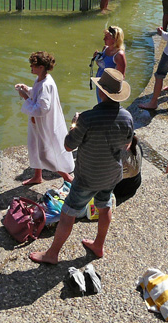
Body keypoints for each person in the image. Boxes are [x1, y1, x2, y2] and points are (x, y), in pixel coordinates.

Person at [29, 68, 133, 265]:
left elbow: (68, 146)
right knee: (104, 206)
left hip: (87, 177)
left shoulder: (87, 118)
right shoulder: (127, 117)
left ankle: (52, 254)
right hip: (111, 173)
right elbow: (126, 145)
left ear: (101, 92)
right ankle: (98, 245)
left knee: (68, 212)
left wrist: (75, 125)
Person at [15, 51, 75, 186]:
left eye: (33, 65)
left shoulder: (46, 84)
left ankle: (66, 176)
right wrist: (28, 89)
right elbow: (38, 95)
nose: (31, 67)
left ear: (41, 67)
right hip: (36, 123)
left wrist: (24, 96)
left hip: (44, 124)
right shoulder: (41, 79)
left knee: (46, 152)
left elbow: (42, 108)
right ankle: (37, 176)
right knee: (34, 147)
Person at [93, 26, 127, 101]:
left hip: (109, 87)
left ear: (115, 40)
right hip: (100, 81)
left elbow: (121, 77)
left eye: (107, 37)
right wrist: (96, 59)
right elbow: (102, 66)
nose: (104, 39)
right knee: (100, 104)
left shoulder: (119, 55)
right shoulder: (105, 48)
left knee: (106, 108)